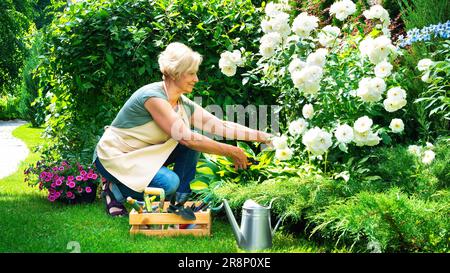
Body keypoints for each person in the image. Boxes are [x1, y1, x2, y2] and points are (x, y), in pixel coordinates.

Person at [93, 42, 273, 217]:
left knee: (195, 143)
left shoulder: (180, 102)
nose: (196, 79)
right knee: (168, 182)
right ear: (174, 73)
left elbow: (219, 125)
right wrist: (231, 151)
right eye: (191, 74)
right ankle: (114, 189)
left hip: (144, 155)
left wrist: (263, 137)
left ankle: (178, 204)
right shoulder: (152, 97)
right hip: (116, 156)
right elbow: (186, 138)